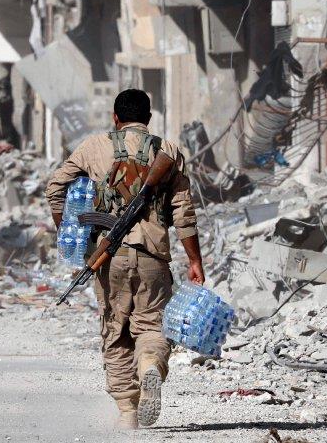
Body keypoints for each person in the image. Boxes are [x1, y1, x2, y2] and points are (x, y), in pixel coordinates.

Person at [45, 89, 204, 430]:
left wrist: (69, 233)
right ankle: (149, 365)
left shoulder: (93, 147)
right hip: (154, 257)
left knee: (115, 332)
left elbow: (55, 188)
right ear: (148, 118)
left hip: (108, 257)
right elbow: (183, 212)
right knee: (151, 325)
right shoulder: (169, 151)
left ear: (115, 117)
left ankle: (127, 411)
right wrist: (195, 261)